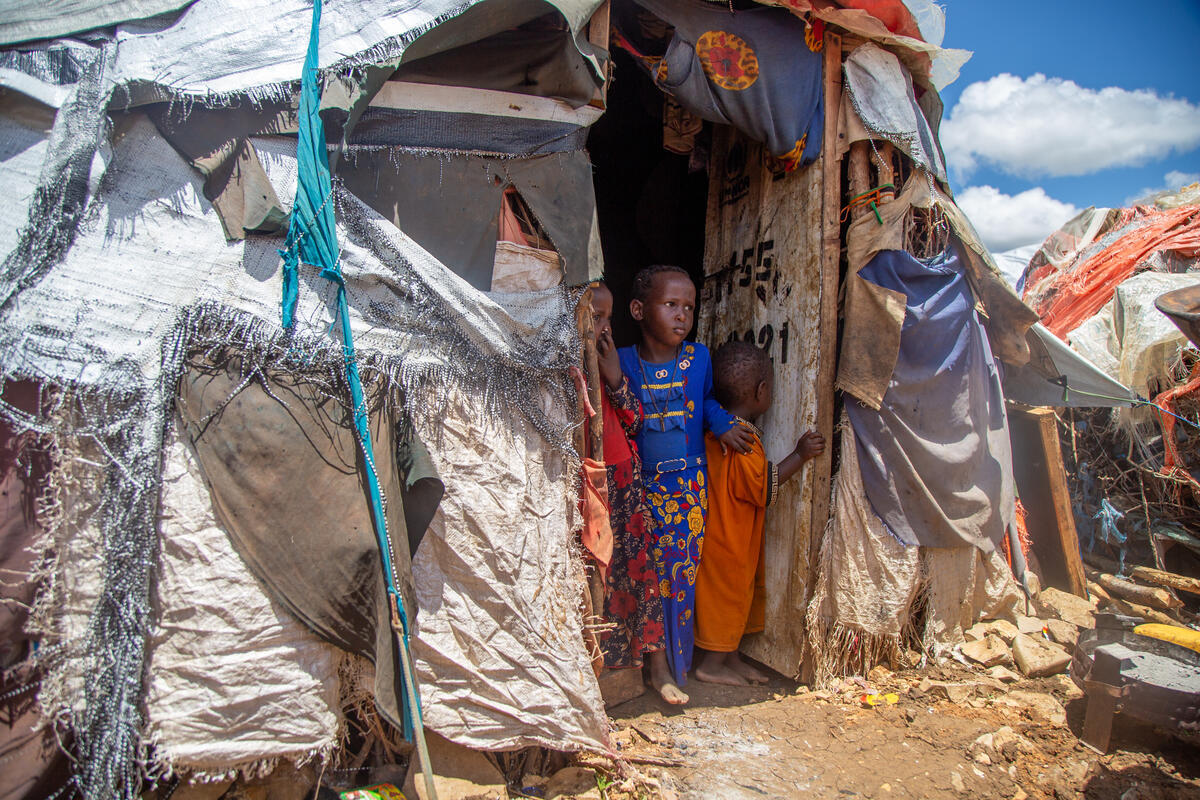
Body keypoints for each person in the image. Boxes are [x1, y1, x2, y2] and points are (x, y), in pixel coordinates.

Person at [617, 265, 754, 702]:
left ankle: (681, 664)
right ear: (639, 310)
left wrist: (723, 425)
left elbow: (709, 399)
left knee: (682, 577)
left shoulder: (698, 359)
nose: (682, 315)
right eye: (670, 305)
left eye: (689, 308)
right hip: (643, 488)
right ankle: (658, 670)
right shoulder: (620, 360)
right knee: (652, 577)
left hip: (690, 491)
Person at [693, 340, 825, 686]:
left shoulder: (714, 432)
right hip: (730, 543)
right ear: (761, 391)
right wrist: (800, 454)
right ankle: (712, 665)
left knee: (732, 602)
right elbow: (765, 489)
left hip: (717, 537)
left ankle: (730, 658)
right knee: (729, 600)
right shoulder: (743, 443)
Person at [590, 283, 669, 688]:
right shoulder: (556, 362)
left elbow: (636, 422)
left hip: (624, 477)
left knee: (638, 570)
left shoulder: (611, 359)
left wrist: (613, 376)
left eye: (608, 318)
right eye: (594, 317)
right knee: (596, 572)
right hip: (589, 482)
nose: (604, 327)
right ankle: (604, 671)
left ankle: (656, 668)